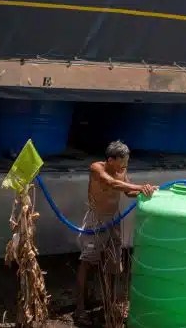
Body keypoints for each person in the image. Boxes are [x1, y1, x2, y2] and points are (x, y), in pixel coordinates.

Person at [75, 140, 157, 327]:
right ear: (110, 160)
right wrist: (139, 187)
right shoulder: (97, 168)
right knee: (87, 262)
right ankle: (79, 309)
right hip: (96, 219)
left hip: (114, 219)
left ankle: (109, 305)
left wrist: (145, 191)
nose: (124, 166)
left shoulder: (121, 171)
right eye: (122, 162)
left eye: (126, 162)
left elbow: (128, 192)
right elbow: (112, 184)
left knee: (114, 263)